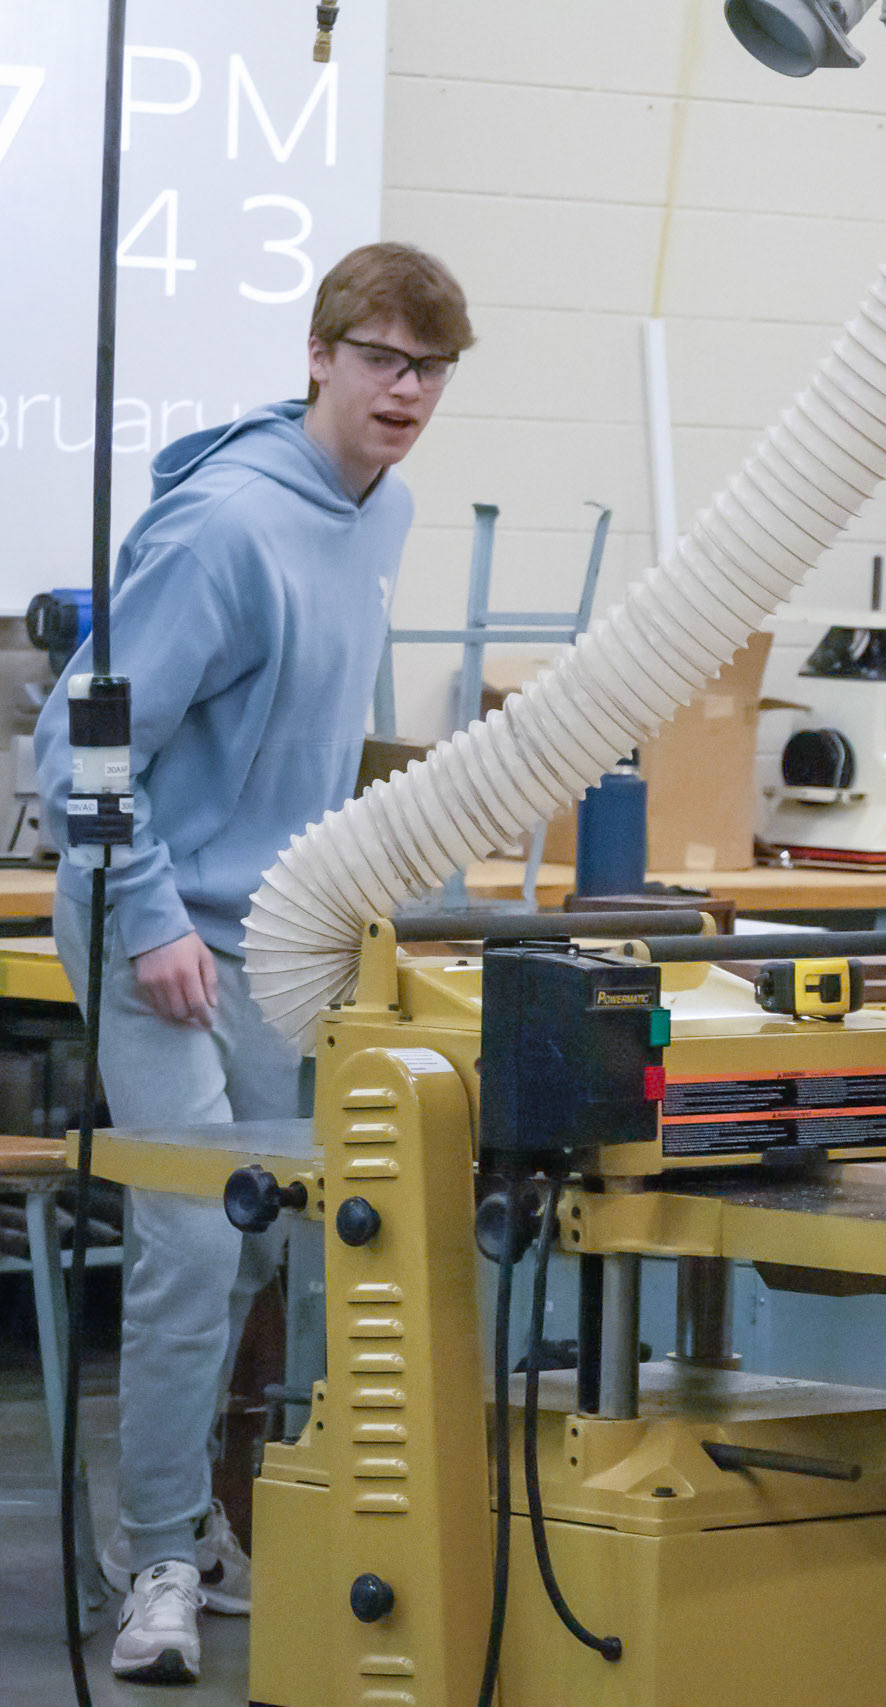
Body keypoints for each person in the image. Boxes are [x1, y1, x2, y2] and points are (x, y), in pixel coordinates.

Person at [36, 242, 474, 1685]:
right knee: (189, 1238)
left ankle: (188, 1521)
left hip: (282, 931)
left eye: (430, 369)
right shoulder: (224, 529)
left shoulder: (384, 509)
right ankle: (155, 1558)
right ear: (321, 355)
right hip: (145, 918)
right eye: (383, 360)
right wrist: (153, 915)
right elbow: (78, 748)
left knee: (270, 1238)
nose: (406, 391)